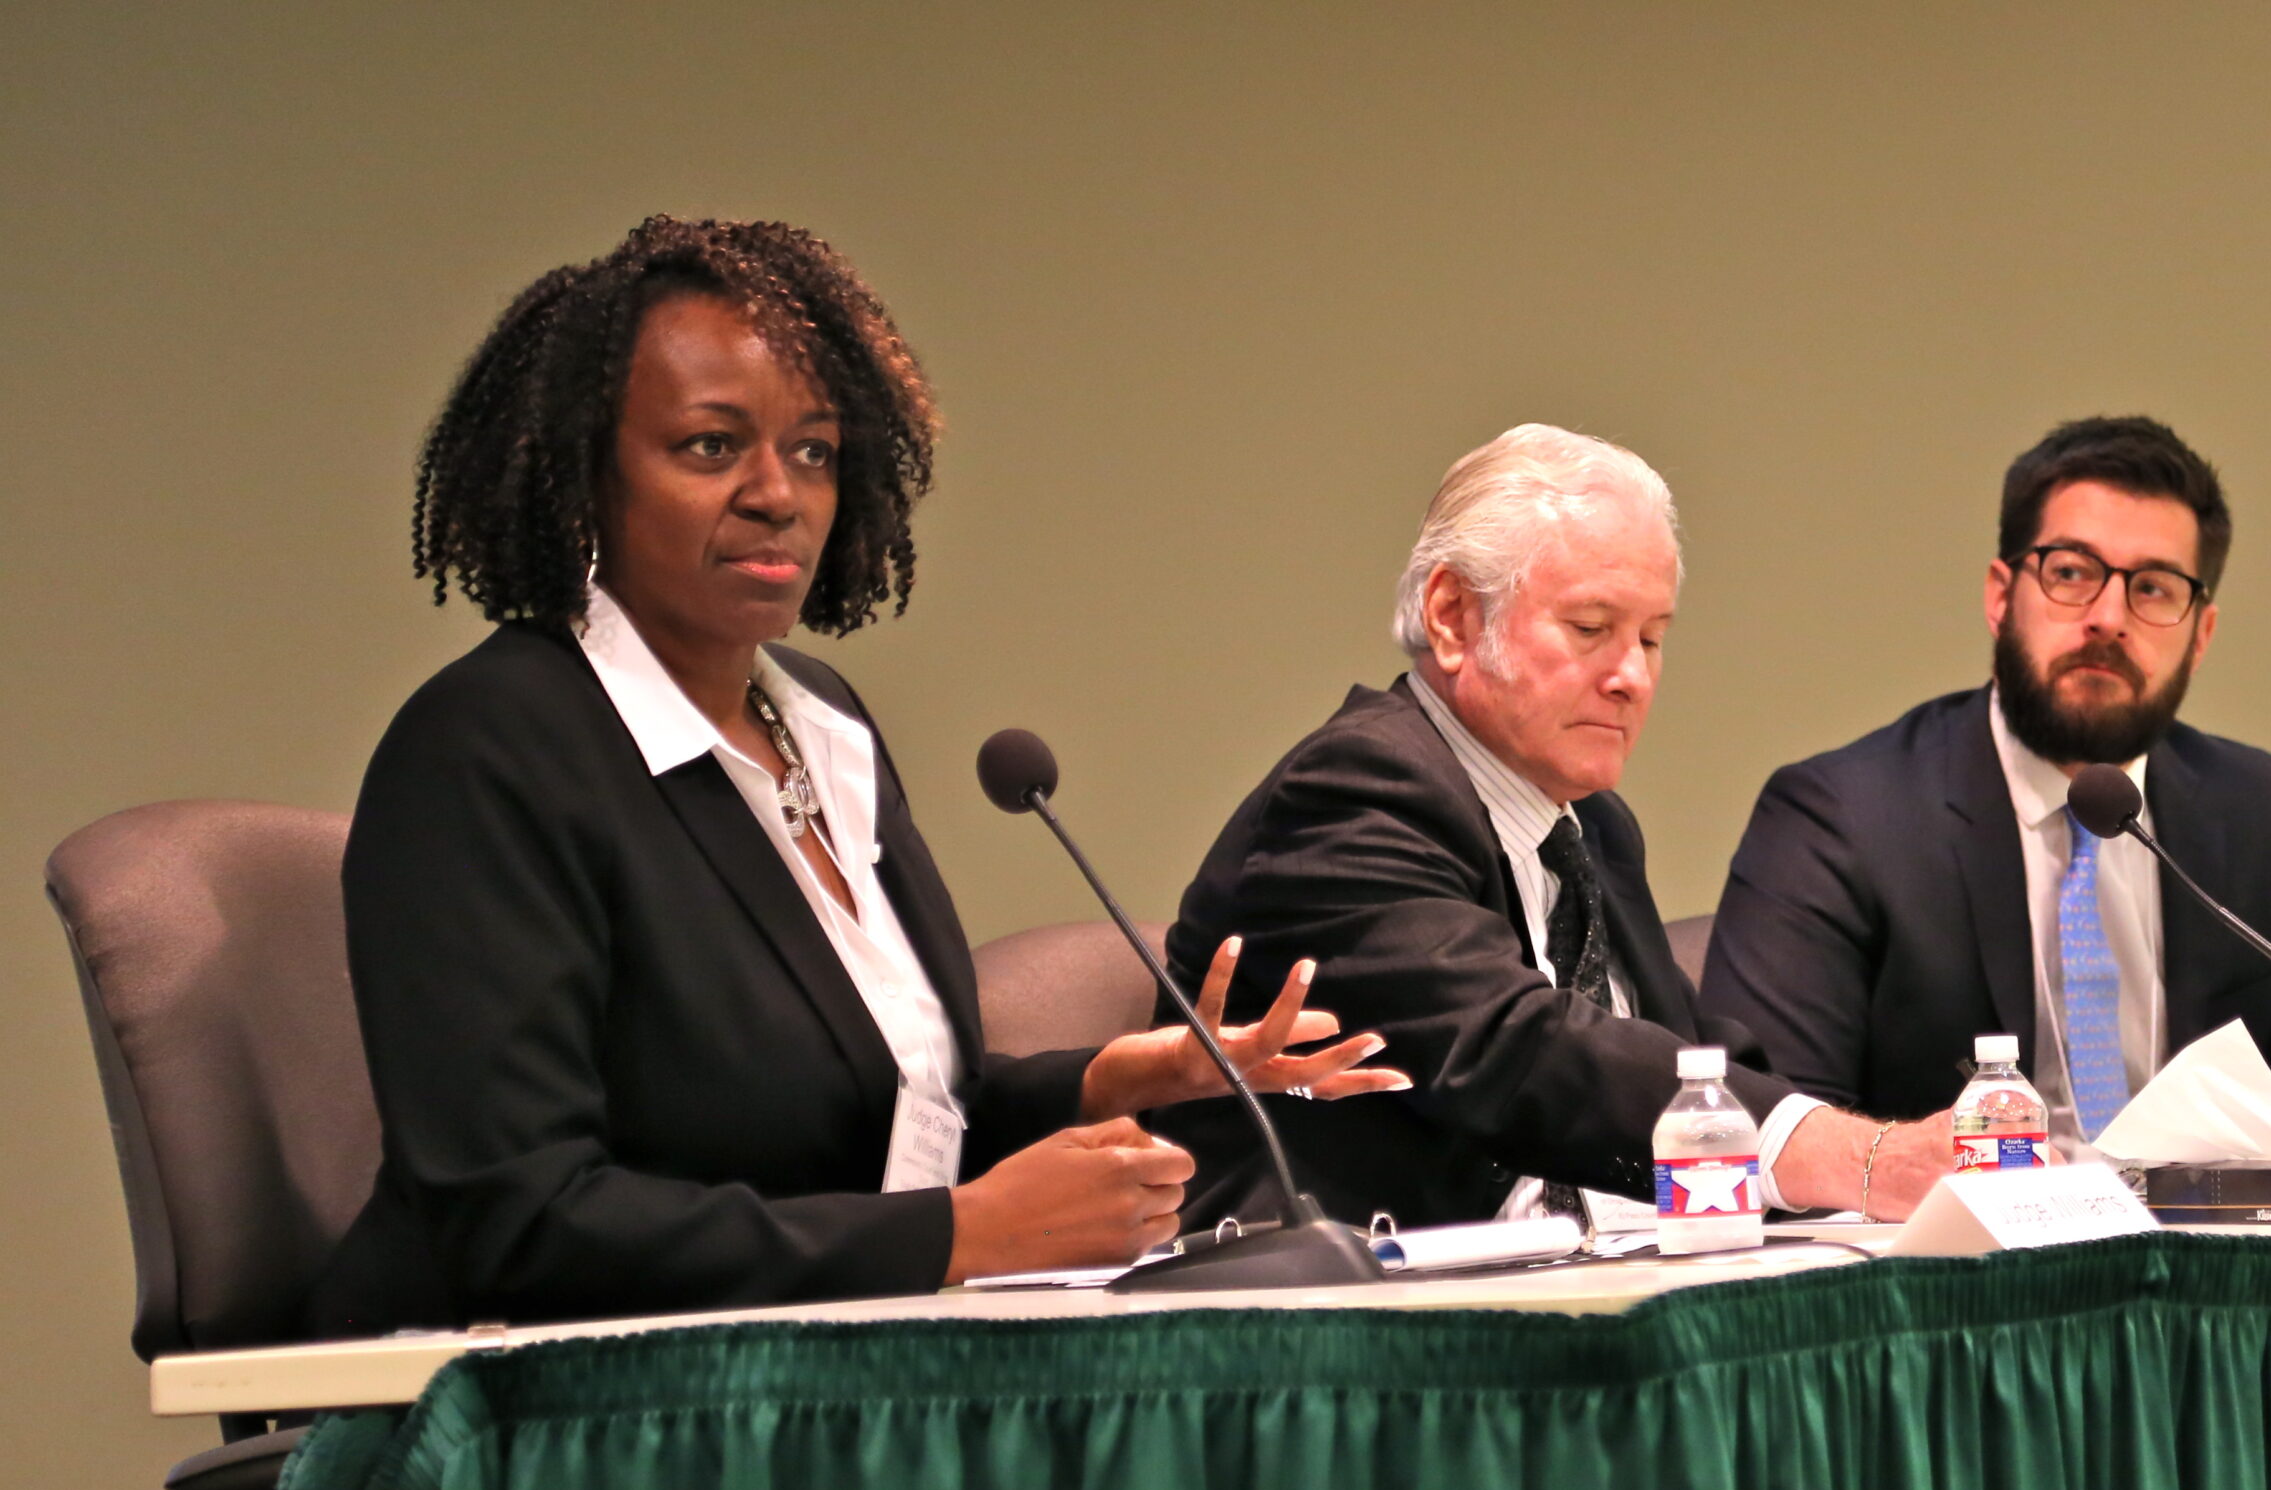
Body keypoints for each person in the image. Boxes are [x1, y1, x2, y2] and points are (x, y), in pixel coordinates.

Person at [311, 217, 1402, 1336]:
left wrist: (1113, 1082)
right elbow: (519, 1225)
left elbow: (869, 1123)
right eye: (708, 447)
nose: (777, 493)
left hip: (806, 1380)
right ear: (583, 482)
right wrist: (958, 1237)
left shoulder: (822, 725)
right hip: (524, 1430)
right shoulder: (489, 749)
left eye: (814, 450)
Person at [1151, 425, 1953, 1230]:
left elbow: (1693, 1064)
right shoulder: (1355, 791)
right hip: (1328, 1310)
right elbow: (1517, 1052)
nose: (1631, 678)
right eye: (1591, 628)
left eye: (1652, 638)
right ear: (1453, 618)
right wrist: (1860, 1161)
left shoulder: (1591, 827)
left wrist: (1861, 1161)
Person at [1696, 415, 2271, 1159]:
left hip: (2204, 1253)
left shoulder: (2259, 809)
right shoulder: (1842, 818)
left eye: (2154, 589)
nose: (2108, 618)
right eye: (2071, 573)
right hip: (1953, 1259)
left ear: (2201, 634)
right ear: (2001, 595)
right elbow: (1774, 1115)